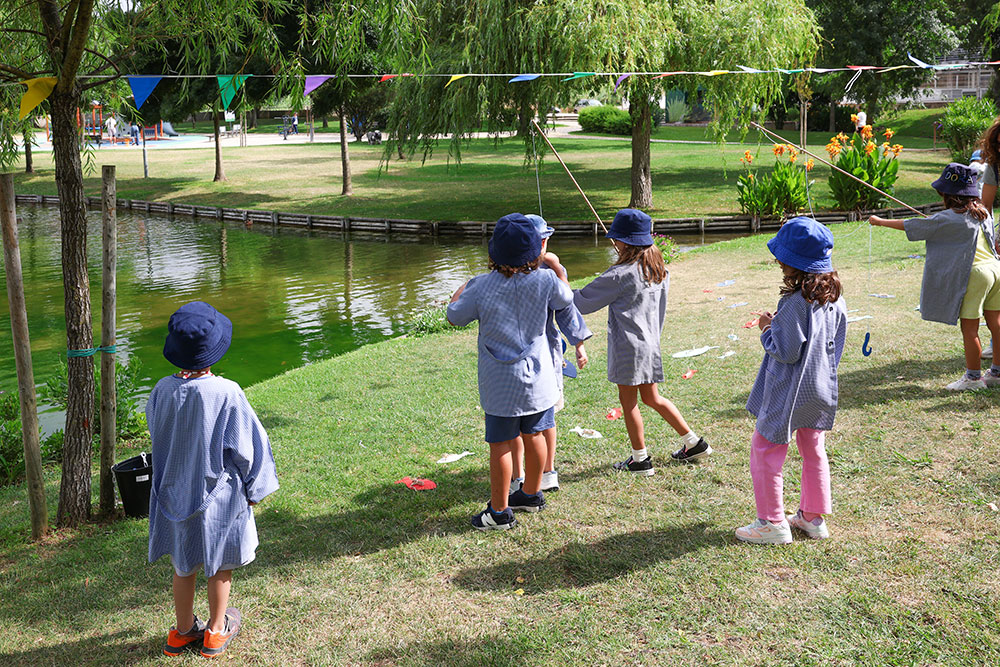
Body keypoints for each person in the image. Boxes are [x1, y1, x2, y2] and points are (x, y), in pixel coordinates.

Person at [147, 301, 279, 657]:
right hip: (216, 494)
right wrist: (255, 487)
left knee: (183, 562)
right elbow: (249, 446)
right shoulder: (227, 392)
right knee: (220, 563)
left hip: (174, 493)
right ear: (213, 350)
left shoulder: (161, 390)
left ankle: (183, 630)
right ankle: (216, 631)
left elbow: (158, 436)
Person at [447, 214, 577, 530]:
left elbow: (454, 316)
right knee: (535, 435)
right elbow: (566, 297)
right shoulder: (546, 281)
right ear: (536, 253)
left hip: (500, 385)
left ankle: (500, 512)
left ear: (493, 255)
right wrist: (557, 269)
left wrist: (461, 289)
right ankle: (531, 493)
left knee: (501, 444)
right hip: (539, 380)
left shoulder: (479, 287)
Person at [734, 217, 847, 545]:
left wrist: (768, 327)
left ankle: (771, 523)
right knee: (813, 447)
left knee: (766, 446)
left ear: (792, 264)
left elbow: (784, 351)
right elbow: (833, 343)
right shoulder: (835, 298)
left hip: (789, 390)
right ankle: (812, 518)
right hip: (820, 388)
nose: (778, 262)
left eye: (782, 258)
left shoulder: (795, 303)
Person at [573, 208, 710, 475]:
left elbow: (581, 302)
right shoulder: (658, 270)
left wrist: (557, 284)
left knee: (629, 402)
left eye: (617, 239)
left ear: (624, 242)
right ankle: (694, 442)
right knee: (652, 398)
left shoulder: (619, 275)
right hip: (650, 346)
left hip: (628, 348)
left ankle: (640, 460)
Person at [870, 163, 1000, 391]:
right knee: (996, 323)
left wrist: (880, 221)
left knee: (970, 328)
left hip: (976, 274)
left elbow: (913, 226)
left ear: (947, 194)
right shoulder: (983, 214)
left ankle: (973, 378)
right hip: (996, 271)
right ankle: (997, 372)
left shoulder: (946, 219)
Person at [507, 214, 592, 495]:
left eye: (546, 240)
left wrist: (578, 343)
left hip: (546, 354)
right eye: (541, 240)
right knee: (518, 420)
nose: (544, 245)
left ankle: (548, 470)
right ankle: (518, 474)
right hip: (515, 357)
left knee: (546, 417)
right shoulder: (508, 271)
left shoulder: (549, 269)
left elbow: (567, 308)